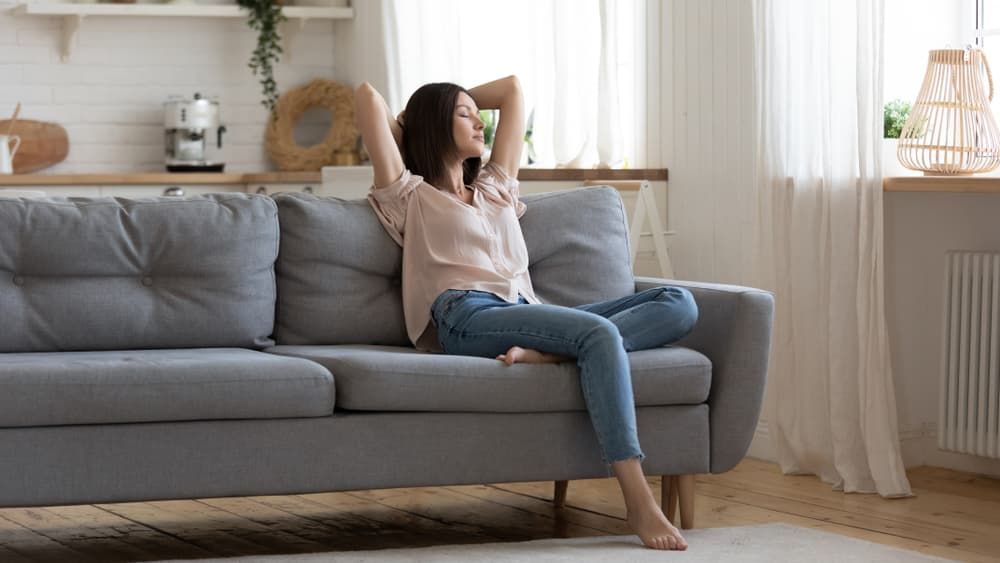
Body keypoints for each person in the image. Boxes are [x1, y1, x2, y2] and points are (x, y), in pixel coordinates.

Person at [354, 75, 698, 551]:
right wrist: (413, 125)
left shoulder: (495, 188)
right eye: (464, 114)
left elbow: (513, 89)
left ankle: (550, 353)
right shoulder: (409, 194)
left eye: (478, 113)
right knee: (597, 336)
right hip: (464, 314)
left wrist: (459, 106)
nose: (480, 121)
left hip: (523, 310)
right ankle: (638, 499)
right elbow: (367, 97)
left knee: (679, 302)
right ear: (434, 125)